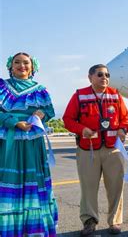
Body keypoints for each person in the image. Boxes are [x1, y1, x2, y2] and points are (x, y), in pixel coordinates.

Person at [63, 64, 128, 236]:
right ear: (90, 77)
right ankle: (89, 221)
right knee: (88, 188)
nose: (104, 77)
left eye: (107, 74)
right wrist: (81, 129)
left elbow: (125, 118)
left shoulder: (115, 95)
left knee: (116, 187)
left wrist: (123, 129)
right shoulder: (79, 95)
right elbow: (68, 119)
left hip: (113, 149)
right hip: (88, 149)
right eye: (100, 74)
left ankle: (115, 221)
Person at [0, 52, 58, 236]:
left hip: (33, 143)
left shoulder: (40, 89)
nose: (22, 66)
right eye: (17, 62)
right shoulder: (2, 86)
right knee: (10, 181)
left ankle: (33, 229)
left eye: (26, 63)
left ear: (33, 67)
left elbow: (50, 110)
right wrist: (13, 122)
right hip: (9, 141)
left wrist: (41, 114)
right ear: (10, 66)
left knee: (34, 182)